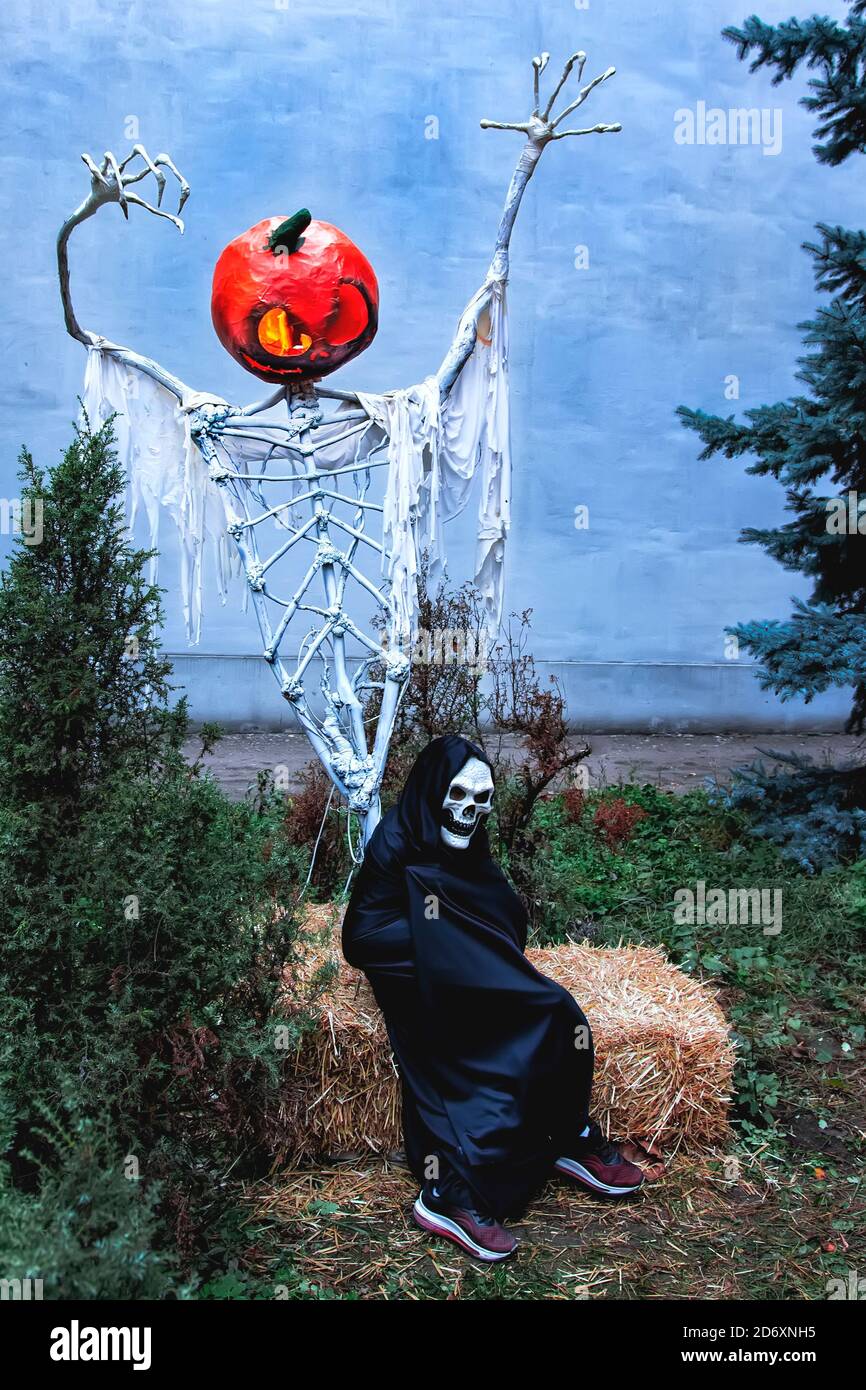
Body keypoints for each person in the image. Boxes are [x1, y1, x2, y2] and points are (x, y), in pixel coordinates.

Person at [342, 734, 644, 1262]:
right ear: (435, 792)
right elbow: (360, 940)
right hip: (417, 982)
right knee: (451, 1054)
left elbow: (492, 906)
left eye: (482, 801)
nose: (470, 813)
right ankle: (448, 1191)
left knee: (557, 1016)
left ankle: (565, 1133)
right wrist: (442, 941)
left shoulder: (467, 837)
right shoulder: (396, 841)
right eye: (459, 797)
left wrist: (473, 949)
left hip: (467, 970)